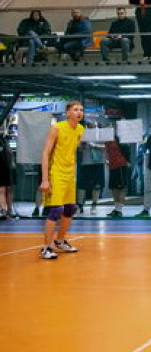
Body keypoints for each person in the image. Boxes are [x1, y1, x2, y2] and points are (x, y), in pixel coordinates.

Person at [39, 101, 85, 260]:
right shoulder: (57, 128)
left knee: (71, 208)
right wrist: (45, 179)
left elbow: (72, 150)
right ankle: (46, 248)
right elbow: (45, 153)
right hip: (56, 172)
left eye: (81, 110)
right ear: (67, 113)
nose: (79, 112)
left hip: (70, 173)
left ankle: (60, 241)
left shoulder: (80, 129)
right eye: (75, 109)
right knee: (56, 210)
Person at [77, 134, 106, 215]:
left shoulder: (102, 133)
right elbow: (78, 149)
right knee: (81, 185)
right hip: (85, 163)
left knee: (97, 186)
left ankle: (94, 206)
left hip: (98, 162)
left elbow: (106, 147)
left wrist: (94, 146)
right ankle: (80, 206)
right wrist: (81, 145)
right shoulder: (82, 133)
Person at [105, 136, 130, 217]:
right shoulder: (106, 140)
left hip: (121, 165)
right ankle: (116, 208)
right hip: (112, 166)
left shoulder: (119, 138)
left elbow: (126, 148)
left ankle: (119, 209)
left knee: (122, 188)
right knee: (114, 188)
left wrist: (128, 161)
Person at [0, 133, 14, 218]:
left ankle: (5, 210)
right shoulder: (6, 142)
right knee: (7, 189)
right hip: (8, 168)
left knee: (3, 190)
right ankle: (8, 210)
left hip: (4, 168)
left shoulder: (4, 142)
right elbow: (10, 154)